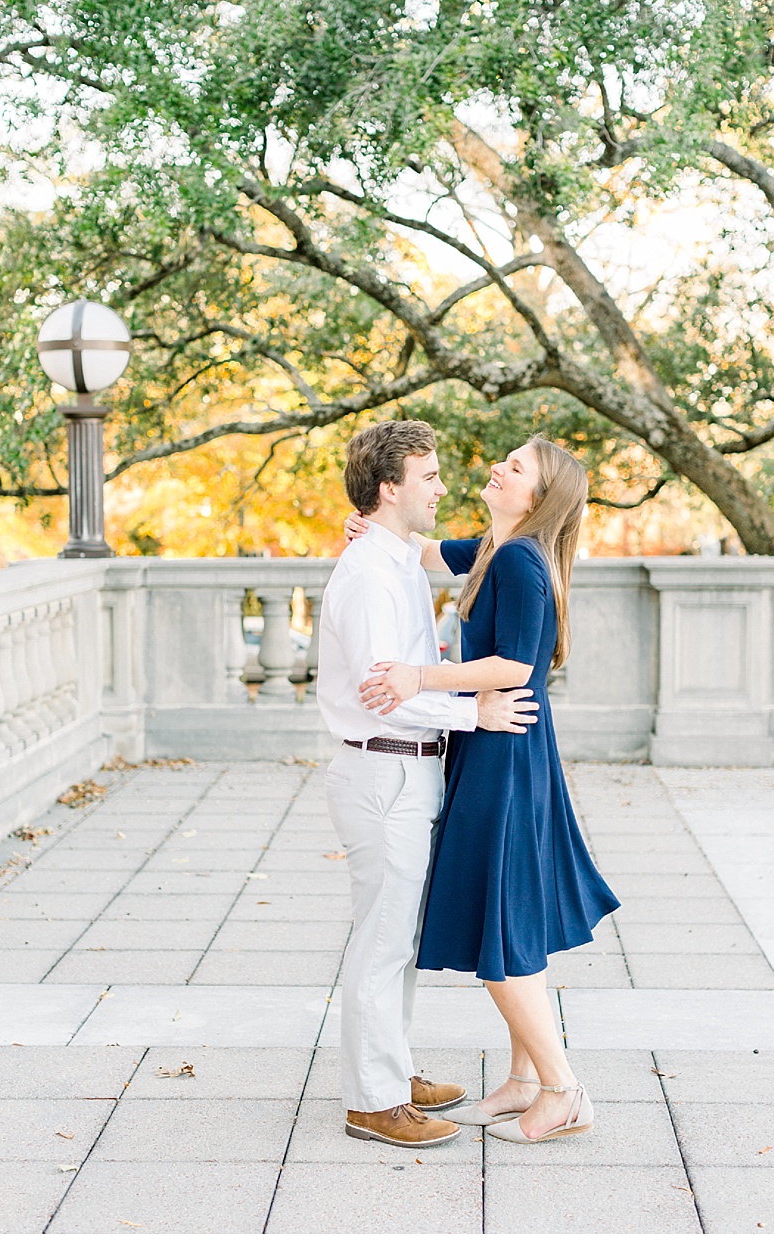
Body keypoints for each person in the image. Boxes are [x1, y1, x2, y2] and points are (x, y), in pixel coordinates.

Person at [349, 434, 621, 1144]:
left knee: (501, 933)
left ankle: (563, 1091)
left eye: (516, 467)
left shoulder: (524, 563)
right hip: (489, 744)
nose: (497, 468)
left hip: (506, 750)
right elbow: (427, 551)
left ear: (539, 496)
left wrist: (419, 677)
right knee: (510, 920)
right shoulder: (493, 550)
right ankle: (524, 1082)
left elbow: (516, 667)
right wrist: (371, 530)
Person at [317, 419, 542, 1149]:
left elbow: (444, 571)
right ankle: (373, 1100)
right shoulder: (368, 575)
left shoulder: (394, 560)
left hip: (409, 766)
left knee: (398, 936)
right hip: (384, 764)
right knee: (382, 939)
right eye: (430, 477)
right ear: (391, 489)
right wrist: (473, 710)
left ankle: (392, 1069)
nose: (444, 488)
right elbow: (388, 690)